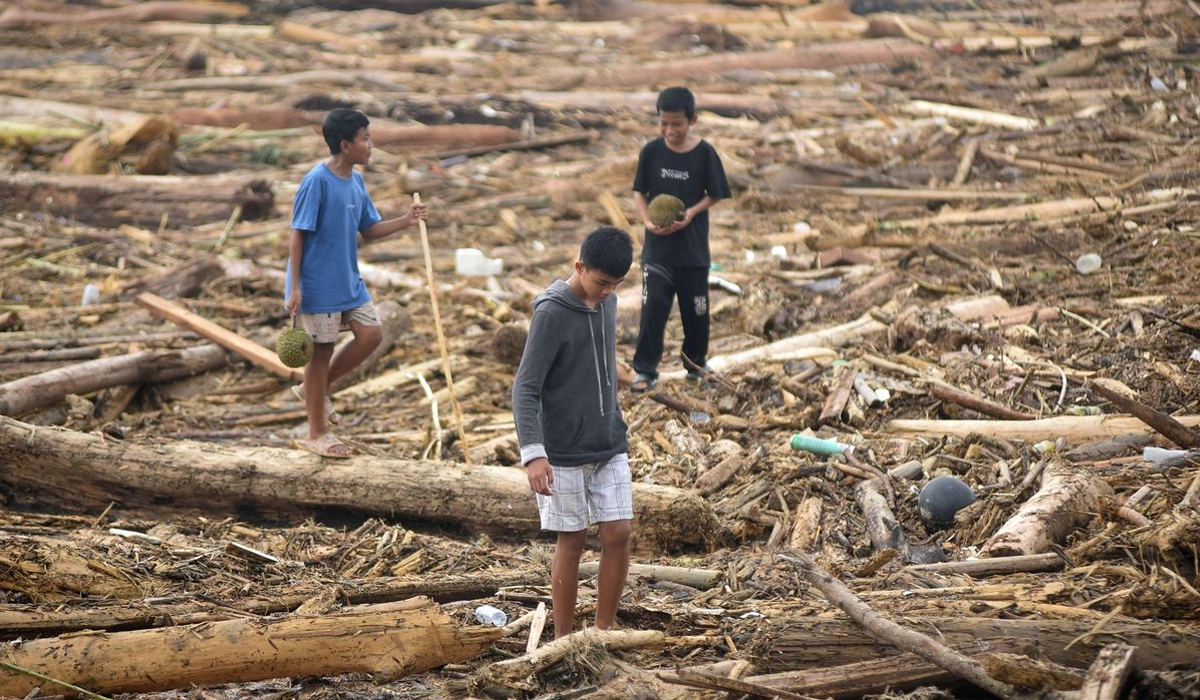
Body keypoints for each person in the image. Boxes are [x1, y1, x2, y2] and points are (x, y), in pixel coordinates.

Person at [512, 225, 635, 638]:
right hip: (562, 448)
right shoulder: (551, 314)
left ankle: (604, 629)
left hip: (608, 439)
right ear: (579, 267)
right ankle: (563, 637)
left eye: (616, 284)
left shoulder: (607, 302)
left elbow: (599, 358)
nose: (608, 291)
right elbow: (525, 387)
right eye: (602, 282)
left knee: (618, 532)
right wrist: (533, 453)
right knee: (573, 537)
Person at [285, 108, 428, 458]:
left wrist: (405, 220)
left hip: (347, 280)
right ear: (346, 145)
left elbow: (369, 229)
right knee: (320, 353)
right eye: (365, 139)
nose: (371, 144)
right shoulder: (317, 181)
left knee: (371, 334)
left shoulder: (356, 182)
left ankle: (313, 389)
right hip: (318, 283)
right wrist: (295, 286)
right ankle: (316, 433)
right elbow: (297, 235)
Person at [629, 86, 731, 393]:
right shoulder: (651, 152)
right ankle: (645, 370)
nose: (670, 130)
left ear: (692, 120)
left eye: (677, 124)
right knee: (652, 311)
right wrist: (647, 220)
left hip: (692, 252)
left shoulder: (704, 153)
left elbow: (716, 193)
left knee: (696, 313)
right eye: (664, 123)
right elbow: (639, 191)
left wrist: (691, 213)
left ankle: (696, 365)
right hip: (657, 251)